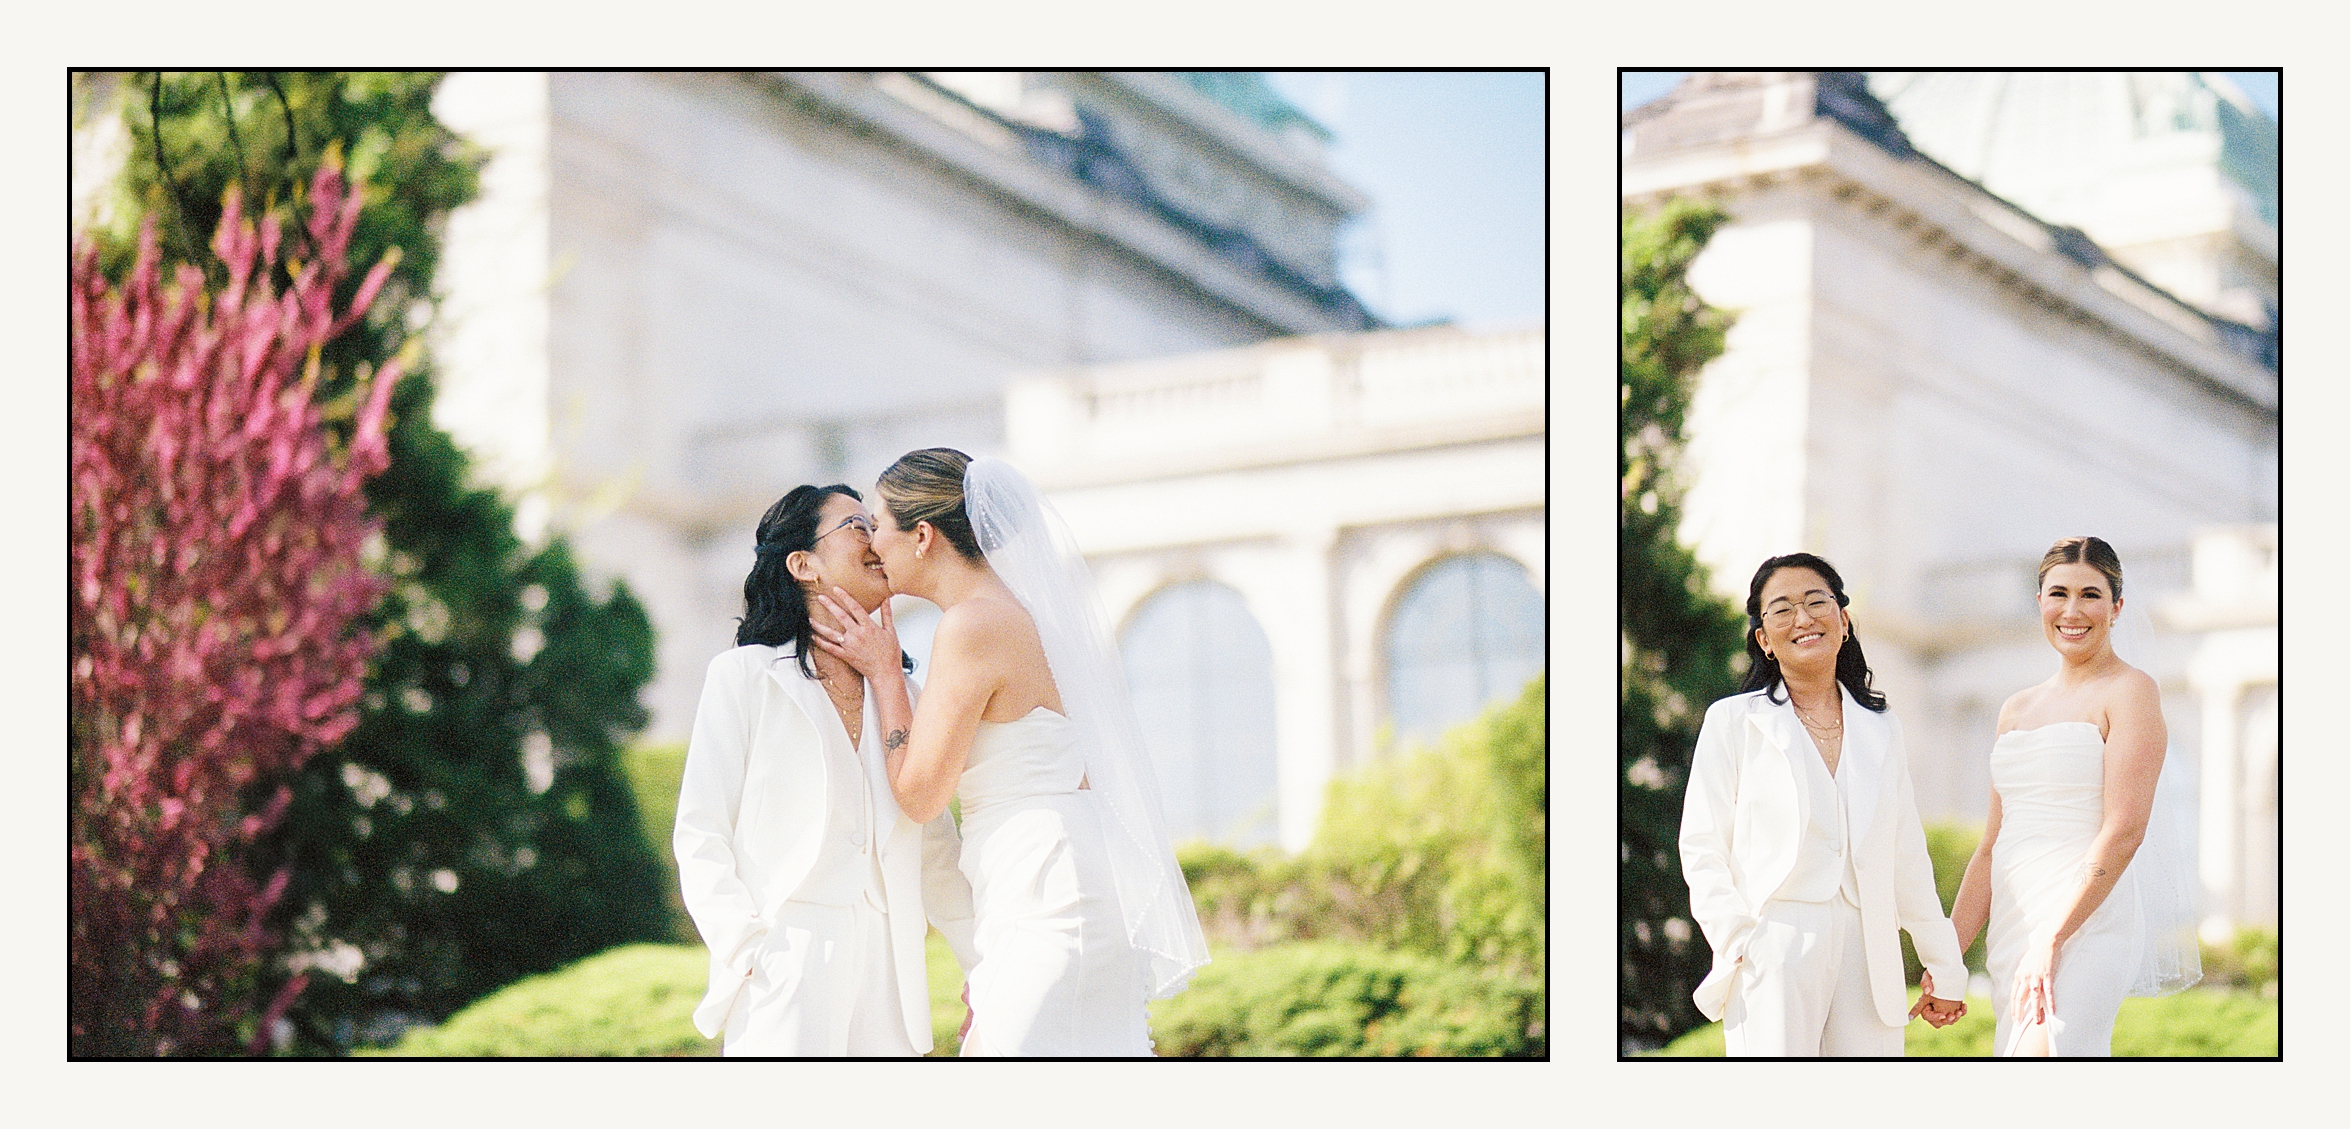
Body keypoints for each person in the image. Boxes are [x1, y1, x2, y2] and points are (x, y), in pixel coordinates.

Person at [815, 448, 1208, 1056]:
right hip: (1049, 877)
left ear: (922, 536)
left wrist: (886, 674)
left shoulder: (973, 625)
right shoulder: (1019, 614)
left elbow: (920, 794)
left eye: (878, 525)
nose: (872, 546)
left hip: (1050, 887)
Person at [672, 484, 979, 1056]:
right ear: (803, 564)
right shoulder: (745, 676)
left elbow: (935, 846)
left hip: (891, 970)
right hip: (785, 957)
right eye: (856, 526)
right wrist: (747, 952)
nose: (876, 539)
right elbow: (700, 832)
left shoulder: (905, 692)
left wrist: (985, 968)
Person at [1679, 552, 1969, 1056]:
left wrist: (1945, 967)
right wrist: (1740, 941)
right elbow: (1702, 846)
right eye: (1782, 609)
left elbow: (1907, 859)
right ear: (1764, 639)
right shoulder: (1733, 722)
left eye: (1817, 602)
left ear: (1844, 621)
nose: (1804, 618)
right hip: (1774, 942)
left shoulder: (1882, 728)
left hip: (1867, 947)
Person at [1949, 535, 2198, 1056]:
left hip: (2089, 922)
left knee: (2048, 1054)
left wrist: (2053, 939)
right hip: (2017, 925)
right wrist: (1947, 953)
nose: (2072, 610)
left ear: (2117, 607)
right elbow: (1991, 847)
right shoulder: (2014, 710)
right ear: (2040, 601)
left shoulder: (2131, 691)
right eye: (2058, 593)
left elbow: (2125, 829)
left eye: (2090, 594)